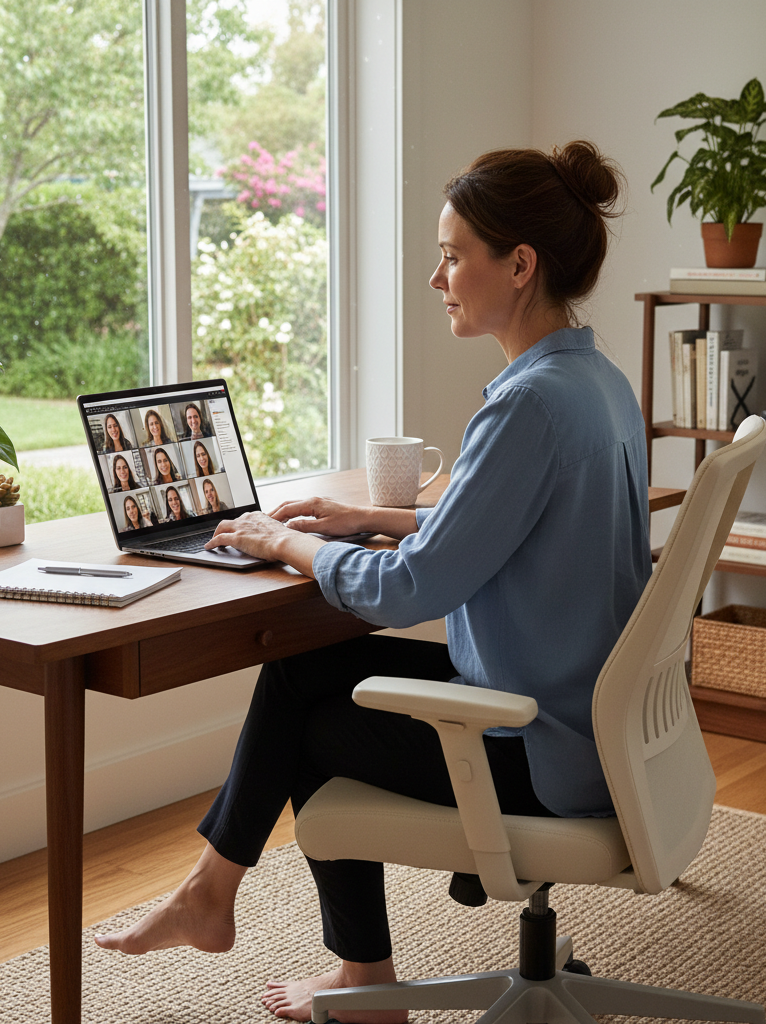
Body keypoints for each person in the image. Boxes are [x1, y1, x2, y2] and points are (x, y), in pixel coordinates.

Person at [95, 142, 650, 1024]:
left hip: (540, 748)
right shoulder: (597, 383)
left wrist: (287, 544)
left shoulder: (526, 404)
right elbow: (523, 527)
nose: (438, 278)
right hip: (592, 722)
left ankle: (352, 972)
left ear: (519, 264)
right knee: (307, 670)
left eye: (452, 254)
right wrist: (371, 521)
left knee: (313, 726)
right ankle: (226, 900)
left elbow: (409, 592)